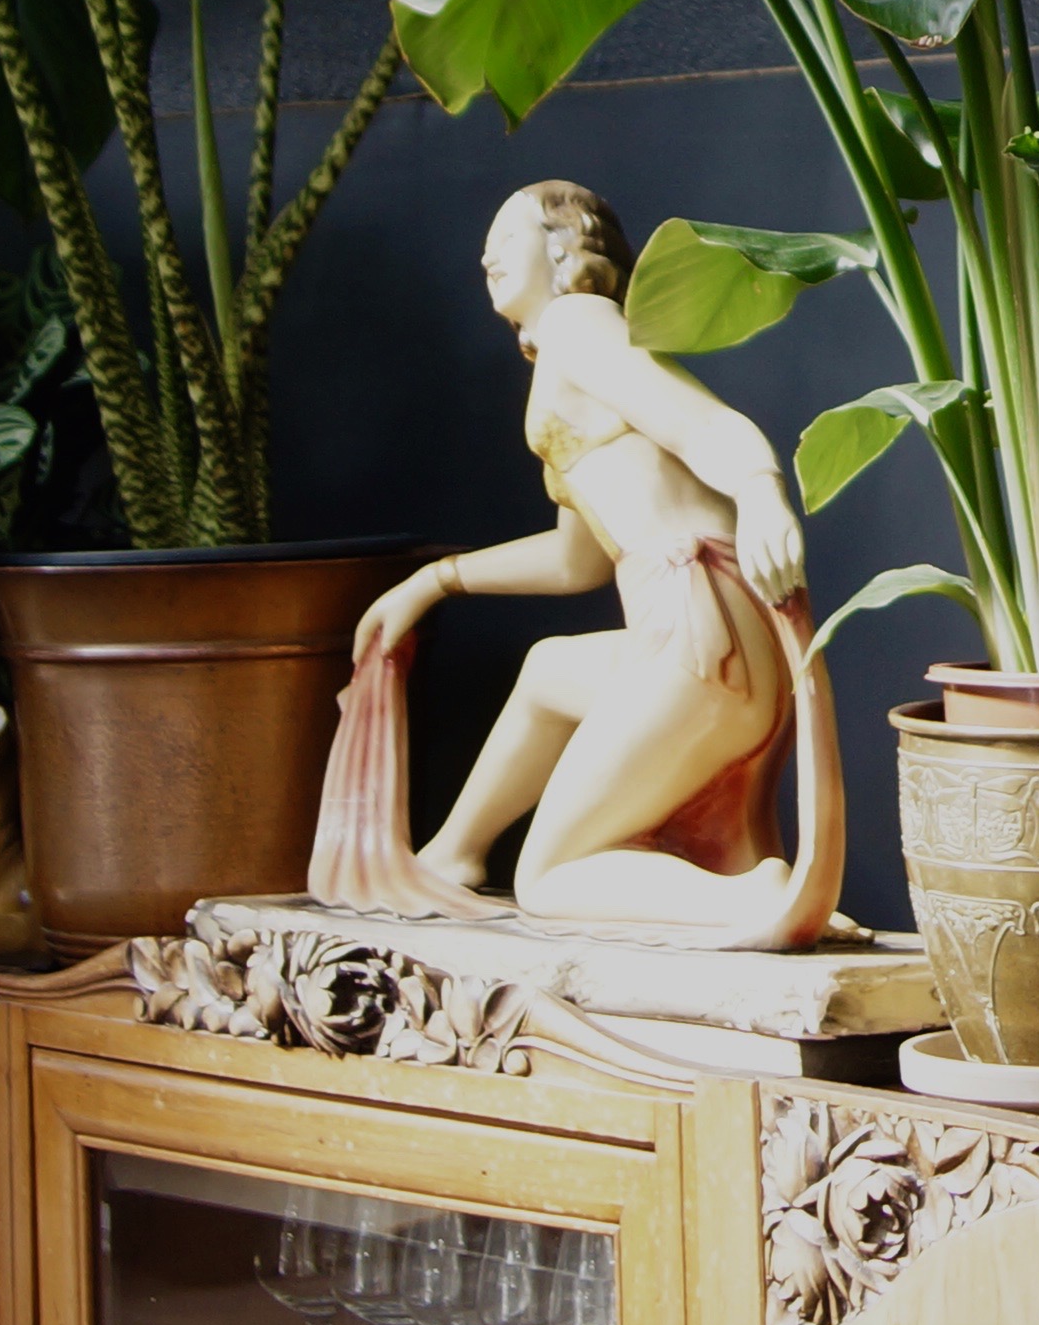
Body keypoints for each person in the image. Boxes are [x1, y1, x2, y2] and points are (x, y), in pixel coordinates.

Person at [320, 180, 840, 949]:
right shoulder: (565, 368)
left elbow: (700, 425)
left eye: (508, 234)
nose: (487, 255)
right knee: (548, 670)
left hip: (703, 629)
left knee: (548, 879)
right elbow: (576, 560)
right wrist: (433, 582)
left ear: (566, 247)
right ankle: (452, 855)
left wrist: (762, 490)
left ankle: (751, 895)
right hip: (704, 626)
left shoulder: (579, 322)